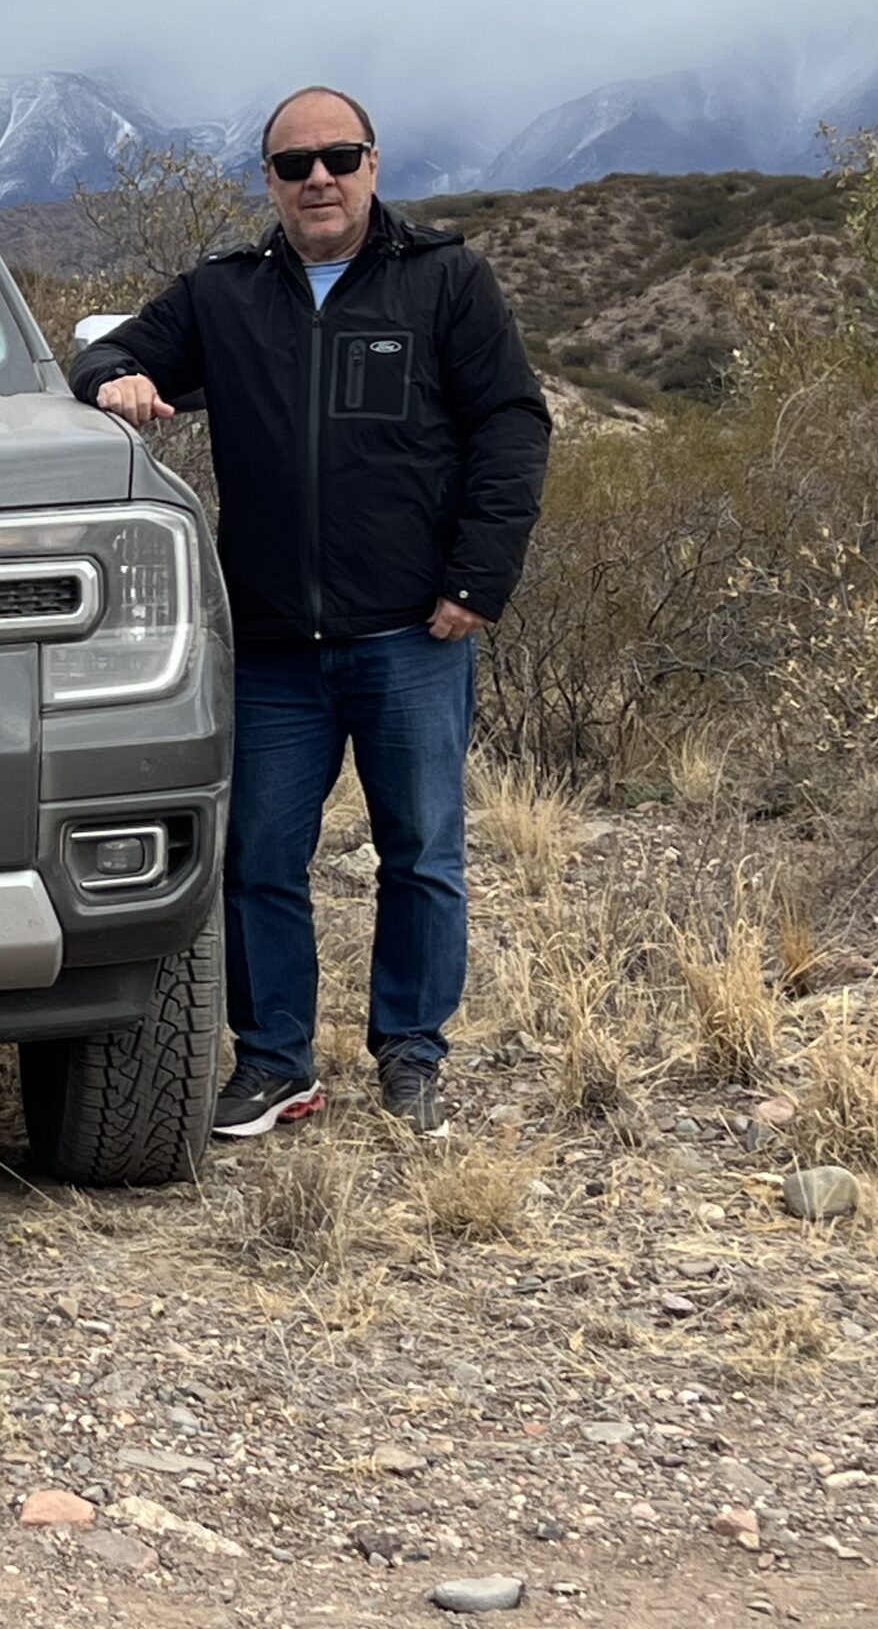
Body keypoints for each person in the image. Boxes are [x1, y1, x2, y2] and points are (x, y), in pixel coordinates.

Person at [69, 87, 550, 1139]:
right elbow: (101, 360)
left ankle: (411, 1053)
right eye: (294, 165)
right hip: (275, 644)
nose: (317, 180)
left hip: (411, 635)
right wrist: (116, 383)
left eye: (337, 157)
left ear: (373, 163)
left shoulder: (445, 281)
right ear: (270, 182)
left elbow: (511, 425)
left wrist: (478, 580)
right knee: (255, 860)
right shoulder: (222, 294)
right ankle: (275, 1061)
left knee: (420, 851)